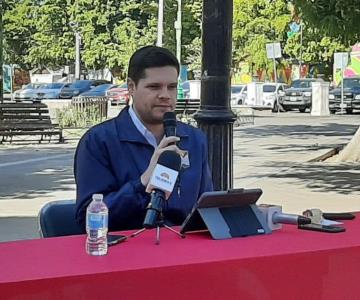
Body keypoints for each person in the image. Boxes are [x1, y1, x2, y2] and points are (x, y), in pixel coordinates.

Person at [74, 45, 213, 231]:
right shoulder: (99, 141)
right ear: (131, 87)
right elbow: (87, 218)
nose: (165, 95)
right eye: (154, 87)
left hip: (184, 249)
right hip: (125, 252)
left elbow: (207, 208)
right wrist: (143, 183)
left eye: (172, 87)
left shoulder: (194, 139)